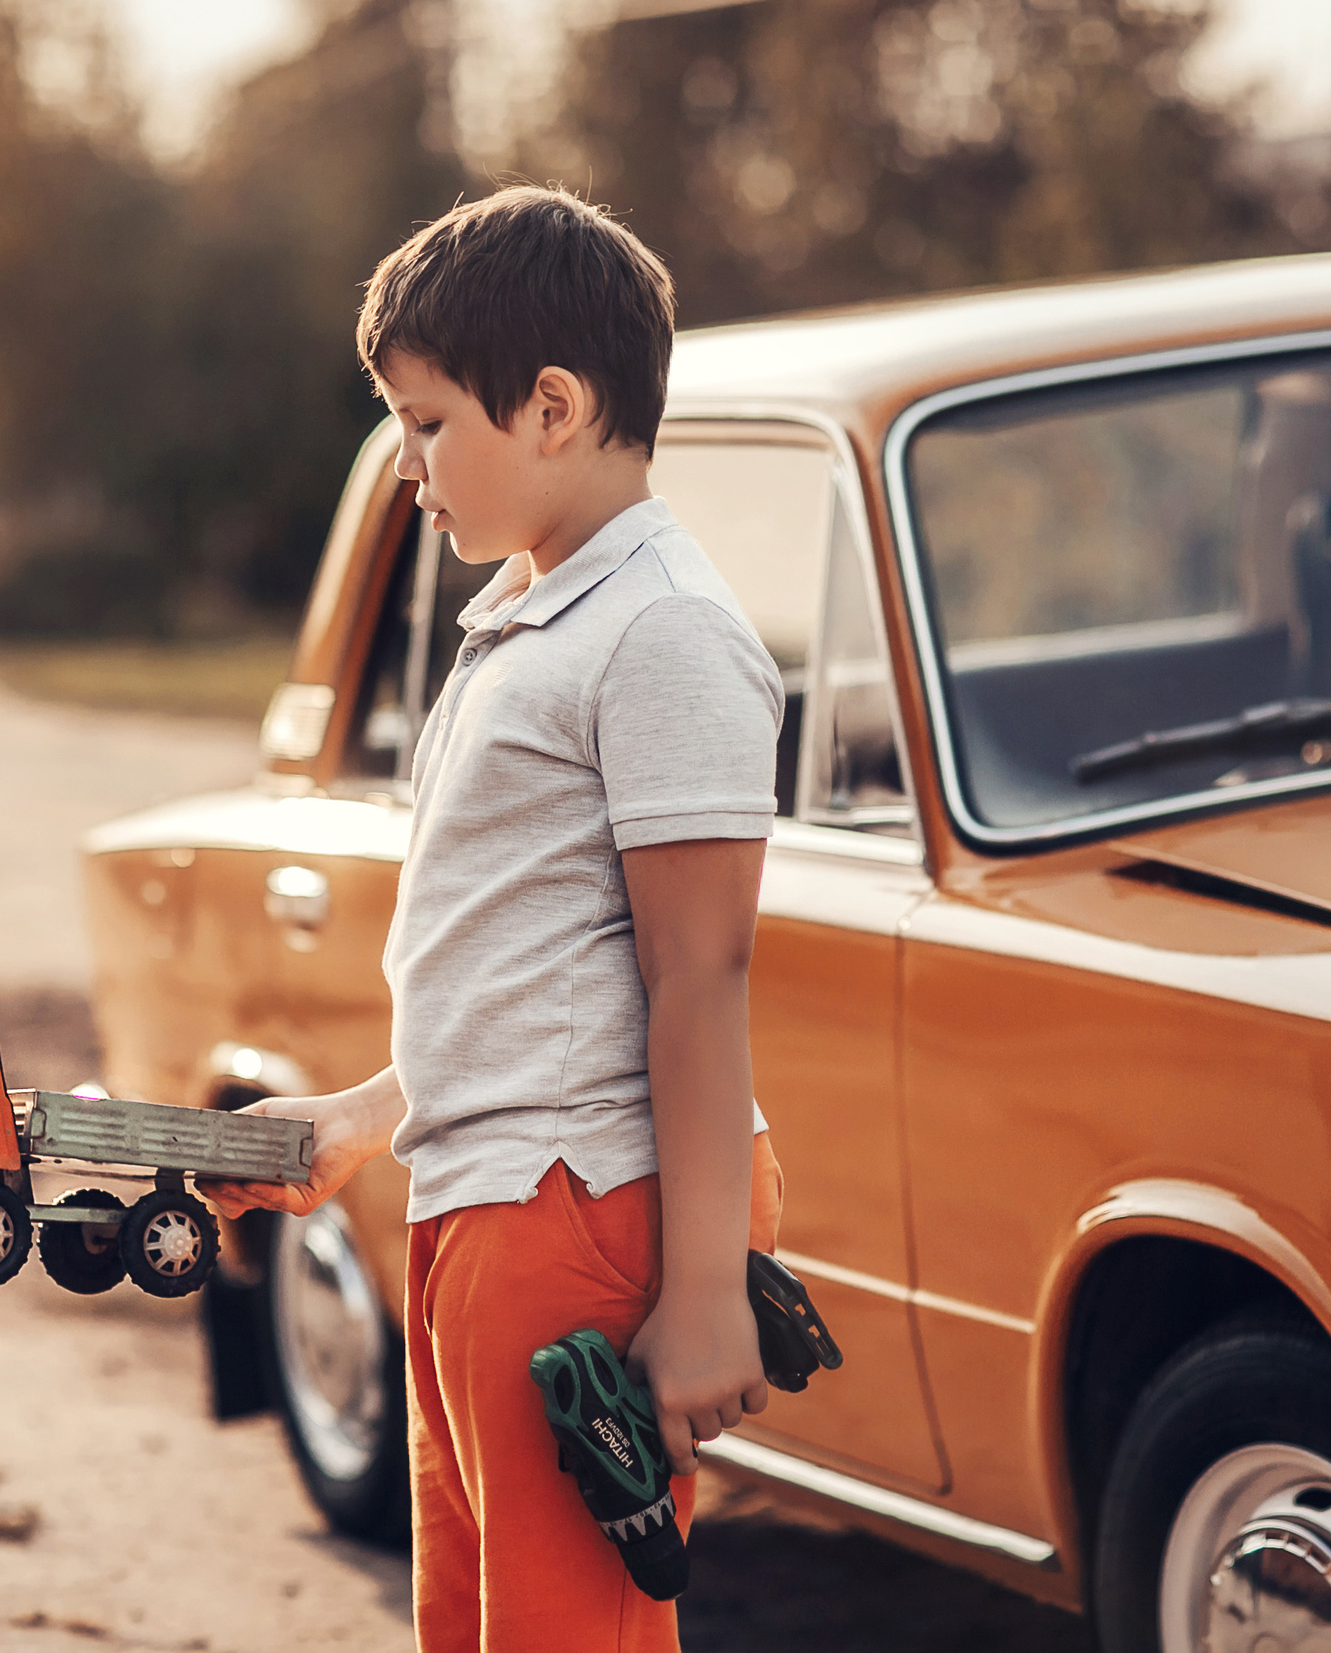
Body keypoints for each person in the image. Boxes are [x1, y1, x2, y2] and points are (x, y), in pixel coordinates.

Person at [205, 184, 787, 1653]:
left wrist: (707, 1287)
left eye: (428, 421)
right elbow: (533, 965)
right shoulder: (536, 611)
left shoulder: (663, 633)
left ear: (552, 405)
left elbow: (699, 980)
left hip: (582, 1215)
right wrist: (367, 1114)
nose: (409, 464)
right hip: (484, 1205)